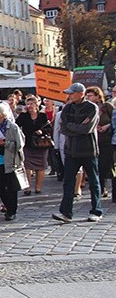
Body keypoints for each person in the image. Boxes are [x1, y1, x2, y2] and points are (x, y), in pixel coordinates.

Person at [53, 83, 103, 223]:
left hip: (88, 150)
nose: (69, 96)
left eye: (72, 93)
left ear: (80, 93)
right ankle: (66, 213)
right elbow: (63, 128)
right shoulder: (67, 108)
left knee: (93, 182)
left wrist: (73, 127)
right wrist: (76, 126)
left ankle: (96, 211)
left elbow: (87, 128)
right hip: (71, 151)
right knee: (68, 182)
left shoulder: (91, 107)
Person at [0, 103, 25, 221]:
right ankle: (8, 206)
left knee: (11, 187)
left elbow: (20, 144)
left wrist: (6, 143)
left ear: (1, 114)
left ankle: (11, 210)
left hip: (10, 161)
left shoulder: (12, 127)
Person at [16, 96, 51, 195]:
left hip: (41, 144)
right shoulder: (24, 116)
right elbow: (16, 125)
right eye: (28, 104)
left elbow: (48, 128)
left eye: (31, 104)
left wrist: (42, 131)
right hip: (28, 144)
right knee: (27, 166)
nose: (29, 106)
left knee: (41, 166)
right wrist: (22, 113)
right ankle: (27, 187)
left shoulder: (42, 116)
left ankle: (38, 187)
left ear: (37, 105)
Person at [85, 87, 115, 199]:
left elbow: (114, 119)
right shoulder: (87, 108)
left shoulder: (107, 106)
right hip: (93, 140)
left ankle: (108, 189)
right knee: (96, 167)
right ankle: (101, 188)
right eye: (87, 96)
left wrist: (107, 126)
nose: (88, 98)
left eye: (90, 95)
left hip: (106, 141)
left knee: (107, 165)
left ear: (97, 96)